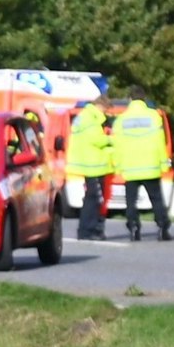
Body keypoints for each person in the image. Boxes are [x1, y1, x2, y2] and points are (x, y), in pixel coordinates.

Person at [110, 94, 172, 242]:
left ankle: (133, 228)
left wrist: (117, 167)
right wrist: (164, 164)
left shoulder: (121, 120)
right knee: (156, 200)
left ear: (130, 99)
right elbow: (159, 142)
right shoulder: (154, 116)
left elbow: (116, 145)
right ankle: (162, 227)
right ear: (144, 99)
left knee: (131, 202)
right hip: (150, 166)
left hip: (130, 168)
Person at [69, 95, 114, 240]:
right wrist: (112, 139)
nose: (106, 113)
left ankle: (87, 230)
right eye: (106, 110)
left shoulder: (84, 116)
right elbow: (97, 140)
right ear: (101, 106)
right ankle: (88, 230)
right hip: (93, 164)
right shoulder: (91, 118)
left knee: (91, 198)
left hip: (89, 162)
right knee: (93, 199)